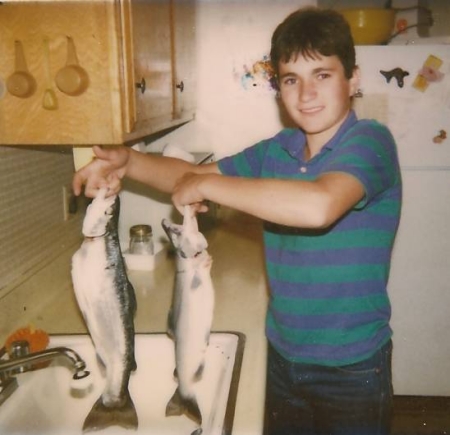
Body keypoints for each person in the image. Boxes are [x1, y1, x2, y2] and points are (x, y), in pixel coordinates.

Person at [73, 6, 401, 435]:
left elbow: (319, 206)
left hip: (353, 369)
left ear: (352, 79)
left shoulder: (371, 142)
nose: (305, 94)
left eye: (322, 74)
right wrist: (129, 160)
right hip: (284, 356)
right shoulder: (277, 150)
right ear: (278, 88)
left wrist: (207, 188)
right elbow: (191, 177)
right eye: (290, 79)